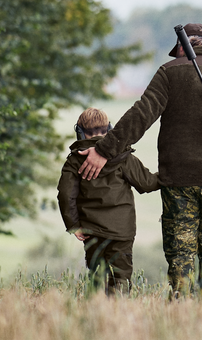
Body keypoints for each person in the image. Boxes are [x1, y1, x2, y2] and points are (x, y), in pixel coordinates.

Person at [79, 22, 202, 300]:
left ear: (183, 47)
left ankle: (180, 314)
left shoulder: (169, 73)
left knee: (181, 261)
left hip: (178, 183)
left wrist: (104, 150)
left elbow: (141, 115)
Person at [57, 107, 160, 295]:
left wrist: (73, 225)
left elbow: (65, 194)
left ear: (79, 132)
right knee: (120, 280)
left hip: (91, 231)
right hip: (122, 232)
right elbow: (147, 184)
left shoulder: (74, 161)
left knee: (97, 278)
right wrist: (170, 175)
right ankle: (117, 318)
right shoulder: (124, 158)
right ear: (110, 129)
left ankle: (97, 316)